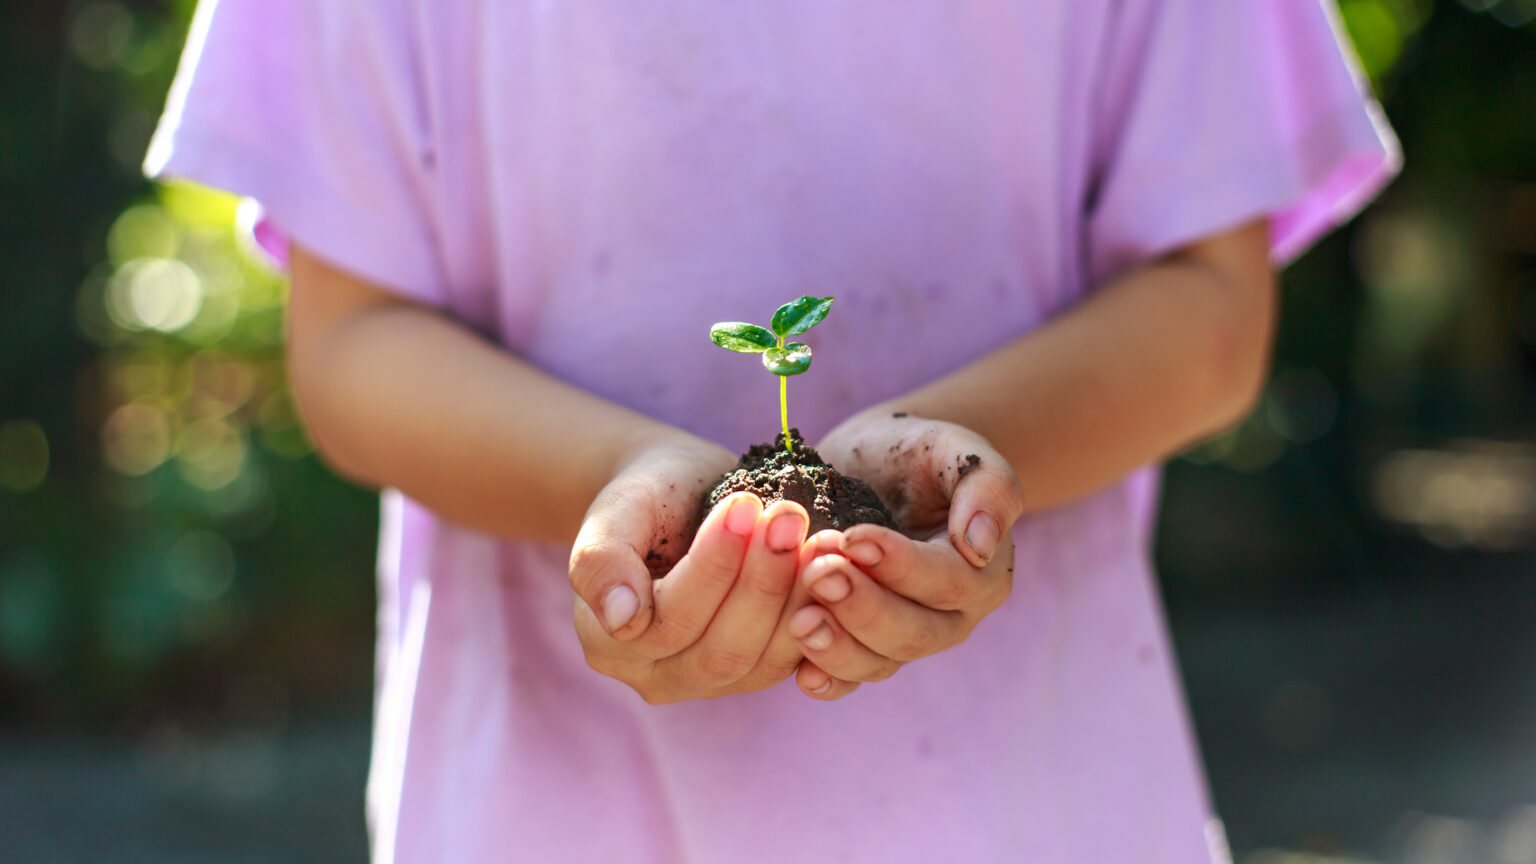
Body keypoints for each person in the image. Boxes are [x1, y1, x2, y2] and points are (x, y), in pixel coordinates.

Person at [147, 1, 1399, 861]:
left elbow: (1213, 304)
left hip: (1028, 794)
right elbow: (353, 340)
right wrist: (614, 484)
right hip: (548, 802)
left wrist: (948, 470)